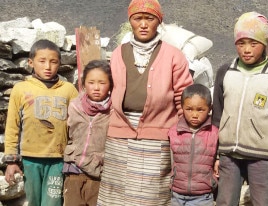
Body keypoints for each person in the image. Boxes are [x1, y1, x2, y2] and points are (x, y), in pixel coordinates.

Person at [97, 0, 193, 205]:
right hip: (119, 136)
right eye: (137, 18)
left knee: (150, 196)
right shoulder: (117, 54)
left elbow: (183, 98)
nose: (143, 24)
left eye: (149, 18)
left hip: (157, 136)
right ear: (130, 21)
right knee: (116, 197)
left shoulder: (173, 56)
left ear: (158, 22)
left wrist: (181, 134)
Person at [212, 12, 268, 206]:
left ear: (264, 44)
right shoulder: (225, 71)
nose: (246, 49)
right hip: (229, 155)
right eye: (241, 43)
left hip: (262, 158)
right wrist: (214, 154)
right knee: (224, 201)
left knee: (262, 202)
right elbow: (217, 116)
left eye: (253, 43)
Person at [3, 39, 78, 206]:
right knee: (34, 201)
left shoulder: (69, 90)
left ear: (60, 63)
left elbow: (78, 126)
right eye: (42, 61)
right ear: (31, 62)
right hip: (30, 160)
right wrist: (11, 161)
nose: (48, 67)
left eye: (53, 62)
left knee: (53, 202)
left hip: (58, 160)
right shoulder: (21, 89)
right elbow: (12, 126)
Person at [63, 60, 113, 205]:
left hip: (98, 174)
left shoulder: (114, 111)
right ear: (83, 84)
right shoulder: (74, 106)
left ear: (110, 85)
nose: (96, 88)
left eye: (102, 83)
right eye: (91, 82)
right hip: (73, 171)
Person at [169, 84, 218, 206]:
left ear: (209, 108)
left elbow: (219, 157)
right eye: (189, 109)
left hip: (203, 196)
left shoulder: (214, 133)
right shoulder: (174, 132)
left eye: (200, 109)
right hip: (177, 194)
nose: (194, 114)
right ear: (182, 107)